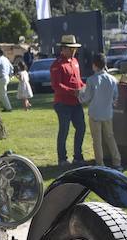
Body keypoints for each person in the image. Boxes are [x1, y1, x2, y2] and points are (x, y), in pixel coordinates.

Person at [79, 53, 121, 169]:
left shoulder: (91, 80)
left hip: (95, 113)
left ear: (94, 65)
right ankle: (117, 162)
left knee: (97, 140)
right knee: (110, 137)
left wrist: (80, 94)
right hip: (107, 113)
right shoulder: (113, 79)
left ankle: (100, 163)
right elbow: (115, 96)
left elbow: (87, 97)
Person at [51, 34, 86, 166]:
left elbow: (78, 81)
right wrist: (73, 92)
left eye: (74, 48)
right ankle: (62, 158)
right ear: (63, 49)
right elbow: (56, 85)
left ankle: (78, 156)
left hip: (76, 102)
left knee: (81, 128)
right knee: (64, 130)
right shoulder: (57, 65)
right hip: (63, 103)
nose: (73, 51)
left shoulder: (75, 62)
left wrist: (84, 87)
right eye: (71, 48)